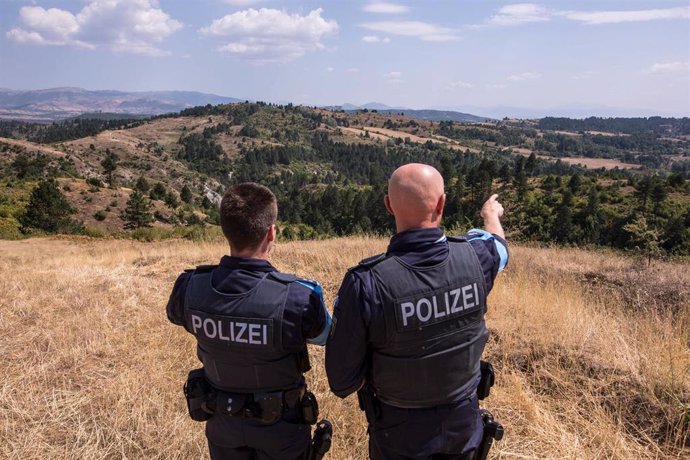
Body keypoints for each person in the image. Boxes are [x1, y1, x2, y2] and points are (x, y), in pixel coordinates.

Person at [325, 163, 508, 460]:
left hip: (399, 434)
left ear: (388, 206)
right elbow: (499, 245)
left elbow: (342, 380)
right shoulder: (477, 257)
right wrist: (490, 215)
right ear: (442, 203)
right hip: (464, 425)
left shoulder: (366, 283)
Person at [166, 182, 332, 460]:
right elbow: (325, 335)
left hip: (222, 424)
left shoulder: (189, 287)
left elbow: (177, 316)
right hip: (282, 430)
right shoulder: (297, 297)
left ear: (225, 230)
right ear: (271, 233)